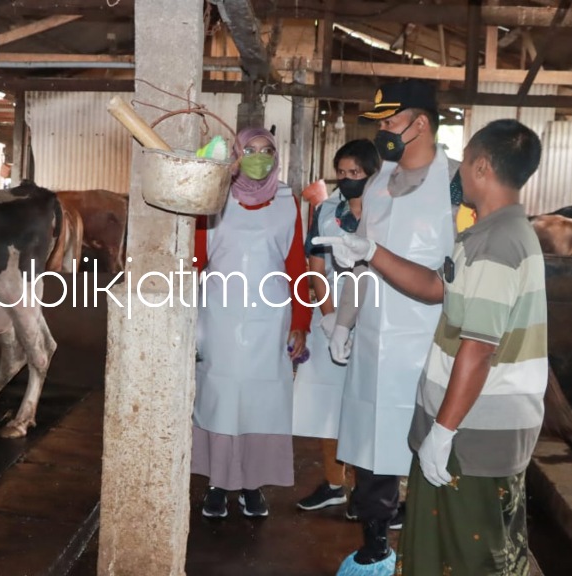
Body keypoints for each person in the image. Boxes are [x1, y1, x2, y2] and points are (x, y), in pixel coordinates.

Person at [314, 118, 547, 576]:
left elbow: (477, 349)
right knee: (448, 545)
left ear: (481, 167)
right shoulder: (486, 234)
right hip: (471, 424)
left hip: (475, 429)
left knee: (470, 554)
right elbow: (436, 286)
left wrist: (443, 429)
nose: (458, 173)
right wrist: (370, 252)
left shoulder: (497, 244)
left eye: (465, 162)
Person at [327, 79, 463, 576]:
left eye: (390, 121)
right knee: (370, 442)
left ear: (420, 123)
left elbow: (466, 269)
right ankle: (375, 544)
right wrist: (344, 322)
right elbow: (360, 260)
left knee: (431, 443)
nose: (383, 130)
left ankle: (433, 548)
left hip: (431, 336)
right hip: (374, 337)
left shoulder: (457, 182)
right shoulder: (377, 184)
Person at [192, 126, 312, 519]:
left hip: (269, 320)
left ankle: (252, 484)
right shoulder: (214, 196)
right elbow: (196, 259)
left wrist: (302, 321)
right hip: (219, 317)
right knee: (219, 397)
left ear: (276, 157)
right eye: (250, 150)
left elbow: (296, 265)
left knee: (262, 400)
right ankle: (216, 483)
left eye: (267, 151)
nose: (259, 158)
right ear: (236, 155)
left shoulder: (286, 200)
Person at [294, 139, 380, 518]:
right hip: (329, 312)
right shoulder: (327, 209)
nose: (347, 179)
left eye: (355, 172)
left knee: (364, 404)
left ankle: (365, 490)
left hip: (372, 315)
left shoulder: (385, 212)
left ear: (371, 174)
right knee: (328, 403)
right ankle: (333, 484)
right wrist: (329, 317)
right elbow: (315, 262)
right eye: (341, 173)